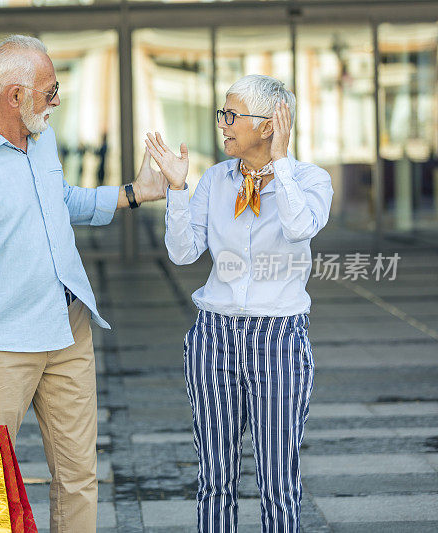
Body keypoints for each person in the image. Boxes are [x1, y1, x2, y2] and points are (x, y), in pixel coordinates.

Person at [0, 35, 170, 533]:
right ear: (14, 96)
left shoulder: (42, 139)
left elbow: (60, 201)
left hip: (69, 330)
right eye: (49, 91)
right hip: (3, 345)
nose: (56, 100)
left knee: (78, 476)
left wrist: (137, 193)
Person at [146, 74, 333, 532]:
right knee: (214, 477)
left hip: (279, 338)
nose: (223, 124)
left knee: (278, 480)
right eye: (222, 114)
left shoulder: (311, 179)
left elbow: (299, 226)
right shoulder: (215, 180)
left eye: (232, 116)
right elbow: (183, 252)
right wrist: (176, 189)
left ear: (269, 126)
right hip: (214, 336)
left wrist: (281, 164)